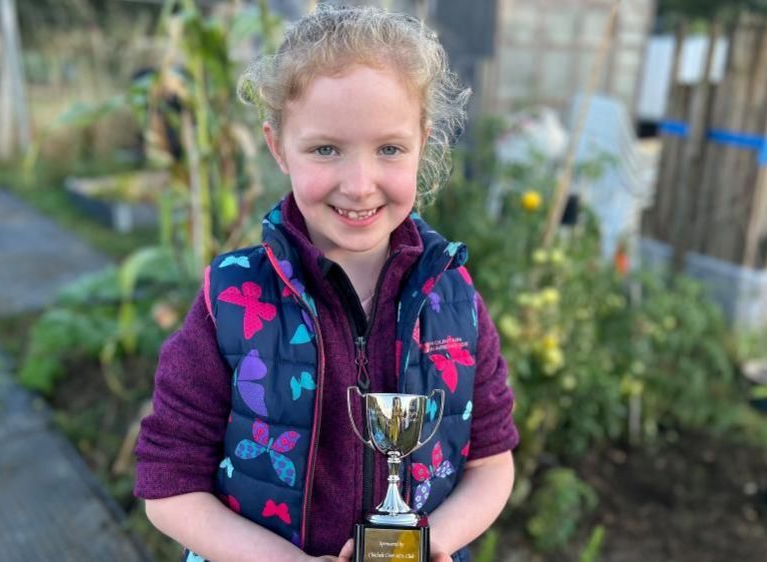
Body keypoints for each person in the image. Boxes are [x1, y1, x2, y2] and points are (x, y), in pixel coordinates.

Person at [134, 5, 518, 562]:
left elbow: (492, 461)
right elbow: (168, 488)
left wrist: (427, 546)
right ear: (277, 146)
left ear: (423, 142)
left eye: (389, 148)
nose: (359, 185)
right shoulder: (231, 300)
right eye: (325, 149)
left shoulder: (455, 298)